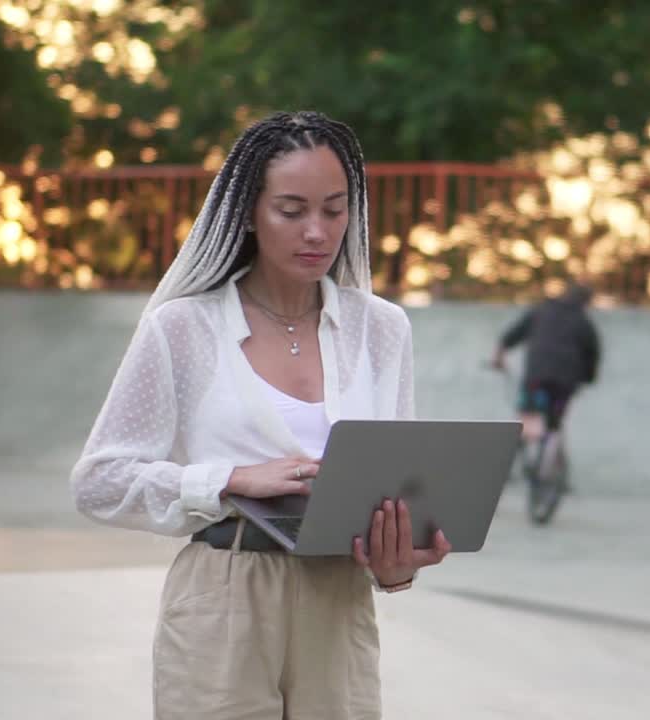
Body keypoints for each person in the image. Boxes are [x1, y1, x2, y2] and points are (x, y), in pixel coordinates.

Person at [70, 111, 451, 720]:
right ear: (249, 212)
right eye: (292, 210)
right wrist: (229, 479)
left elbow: (390, 483)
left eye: (334, 208)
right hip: (222, 595)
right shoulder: (183, 328)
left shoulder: (382, 330)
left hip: (338, 599)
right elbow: (100, 480)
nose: (318, 231)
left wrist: (396, 563)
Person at [490, 283, 600, 459]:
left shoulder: (541, 311)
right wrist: (587, 377)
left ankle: (514, 456)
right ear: (585, 301)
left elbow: (512, 334)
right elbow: (592, 354)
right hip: (565, 381)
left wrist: (498, 357)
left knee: (529, 414)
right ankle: (547, 462)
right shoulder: (582, 320)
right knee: (554, 421)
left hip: (536, 377)